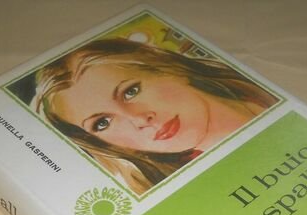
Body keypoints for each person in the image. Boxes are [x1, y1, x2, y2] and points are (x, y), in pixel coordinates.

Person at [30, 38, 278, 194]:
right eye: (102, 123)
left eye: (130, 91)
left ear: (166, 68)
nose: (139, 120)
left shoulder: (268, 90)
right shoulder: (193, 190)